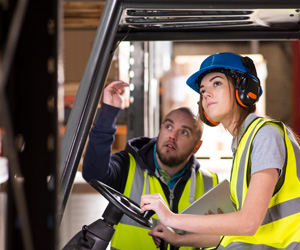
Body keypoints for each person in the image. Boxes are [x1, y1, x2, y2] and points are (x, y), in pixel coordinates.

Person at [140, 52, 300, 250]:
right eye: (202, 90)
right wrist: (178, 239)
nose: (206, 94)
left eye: (216, 83)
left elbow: (248, 223)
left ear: (244, 88)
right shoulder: (243, 144)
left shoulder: (266, 135)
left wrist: (172, 218)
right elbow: (235, 232)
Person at [82, 80, 219, 250]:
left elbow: (222, 239)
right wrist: (109, 112)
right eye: (169, 126)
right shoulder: (128, 166)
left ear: (196, 146)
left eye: (184, 132)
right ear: (160, 130)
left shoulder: (209, 184)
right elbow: (93, 173)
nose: (172, 136)